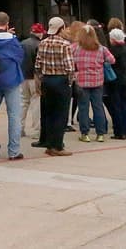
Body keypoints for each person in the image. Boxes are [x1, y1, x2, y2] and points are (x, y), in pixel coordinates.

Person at [0, 12, 26, 161]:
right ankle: (14, 151)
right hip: (11, 79)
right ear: (7, 23)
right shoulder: (13, 41)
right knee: (14, 115)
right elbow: (20, 57)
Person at [35, 17, 76, 154]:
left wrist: (41, 79)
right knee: (61, 114)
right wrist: (70, 82)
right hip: (61, 80)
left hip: (47, 80)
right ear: (62, 28)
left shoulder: (43, 43)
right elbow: (70, 67)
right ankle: (57, 146)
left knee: (49, 113)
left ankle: (48, 143)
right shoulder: (65, 44)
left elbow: (37, 65)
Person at [71, 22, 115, 142]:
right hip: (97, 81)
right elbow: (112, 60)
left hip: (81, 81)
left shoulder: (74, 47)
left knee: (83, 108)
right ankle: (100, 134)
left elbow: (68, 60)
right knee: (98, 107)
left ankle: (85, 134)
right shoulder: (101, 48)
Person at [105, 28, 126, 139]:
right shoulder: (125, 49)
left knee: (116, 106)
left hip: (114, 80)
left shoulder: (112, 50)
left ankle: (119, 131)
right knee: (125, 106)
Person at [20, 23, 44, 145]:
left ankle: (20, 128)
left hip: (23, 76)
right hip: (35, 77)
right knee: (36, 102)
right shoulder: (40, 44)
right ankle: (36, 130)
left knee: (23, 102)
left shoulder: (23, 43)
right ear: (40, 33)